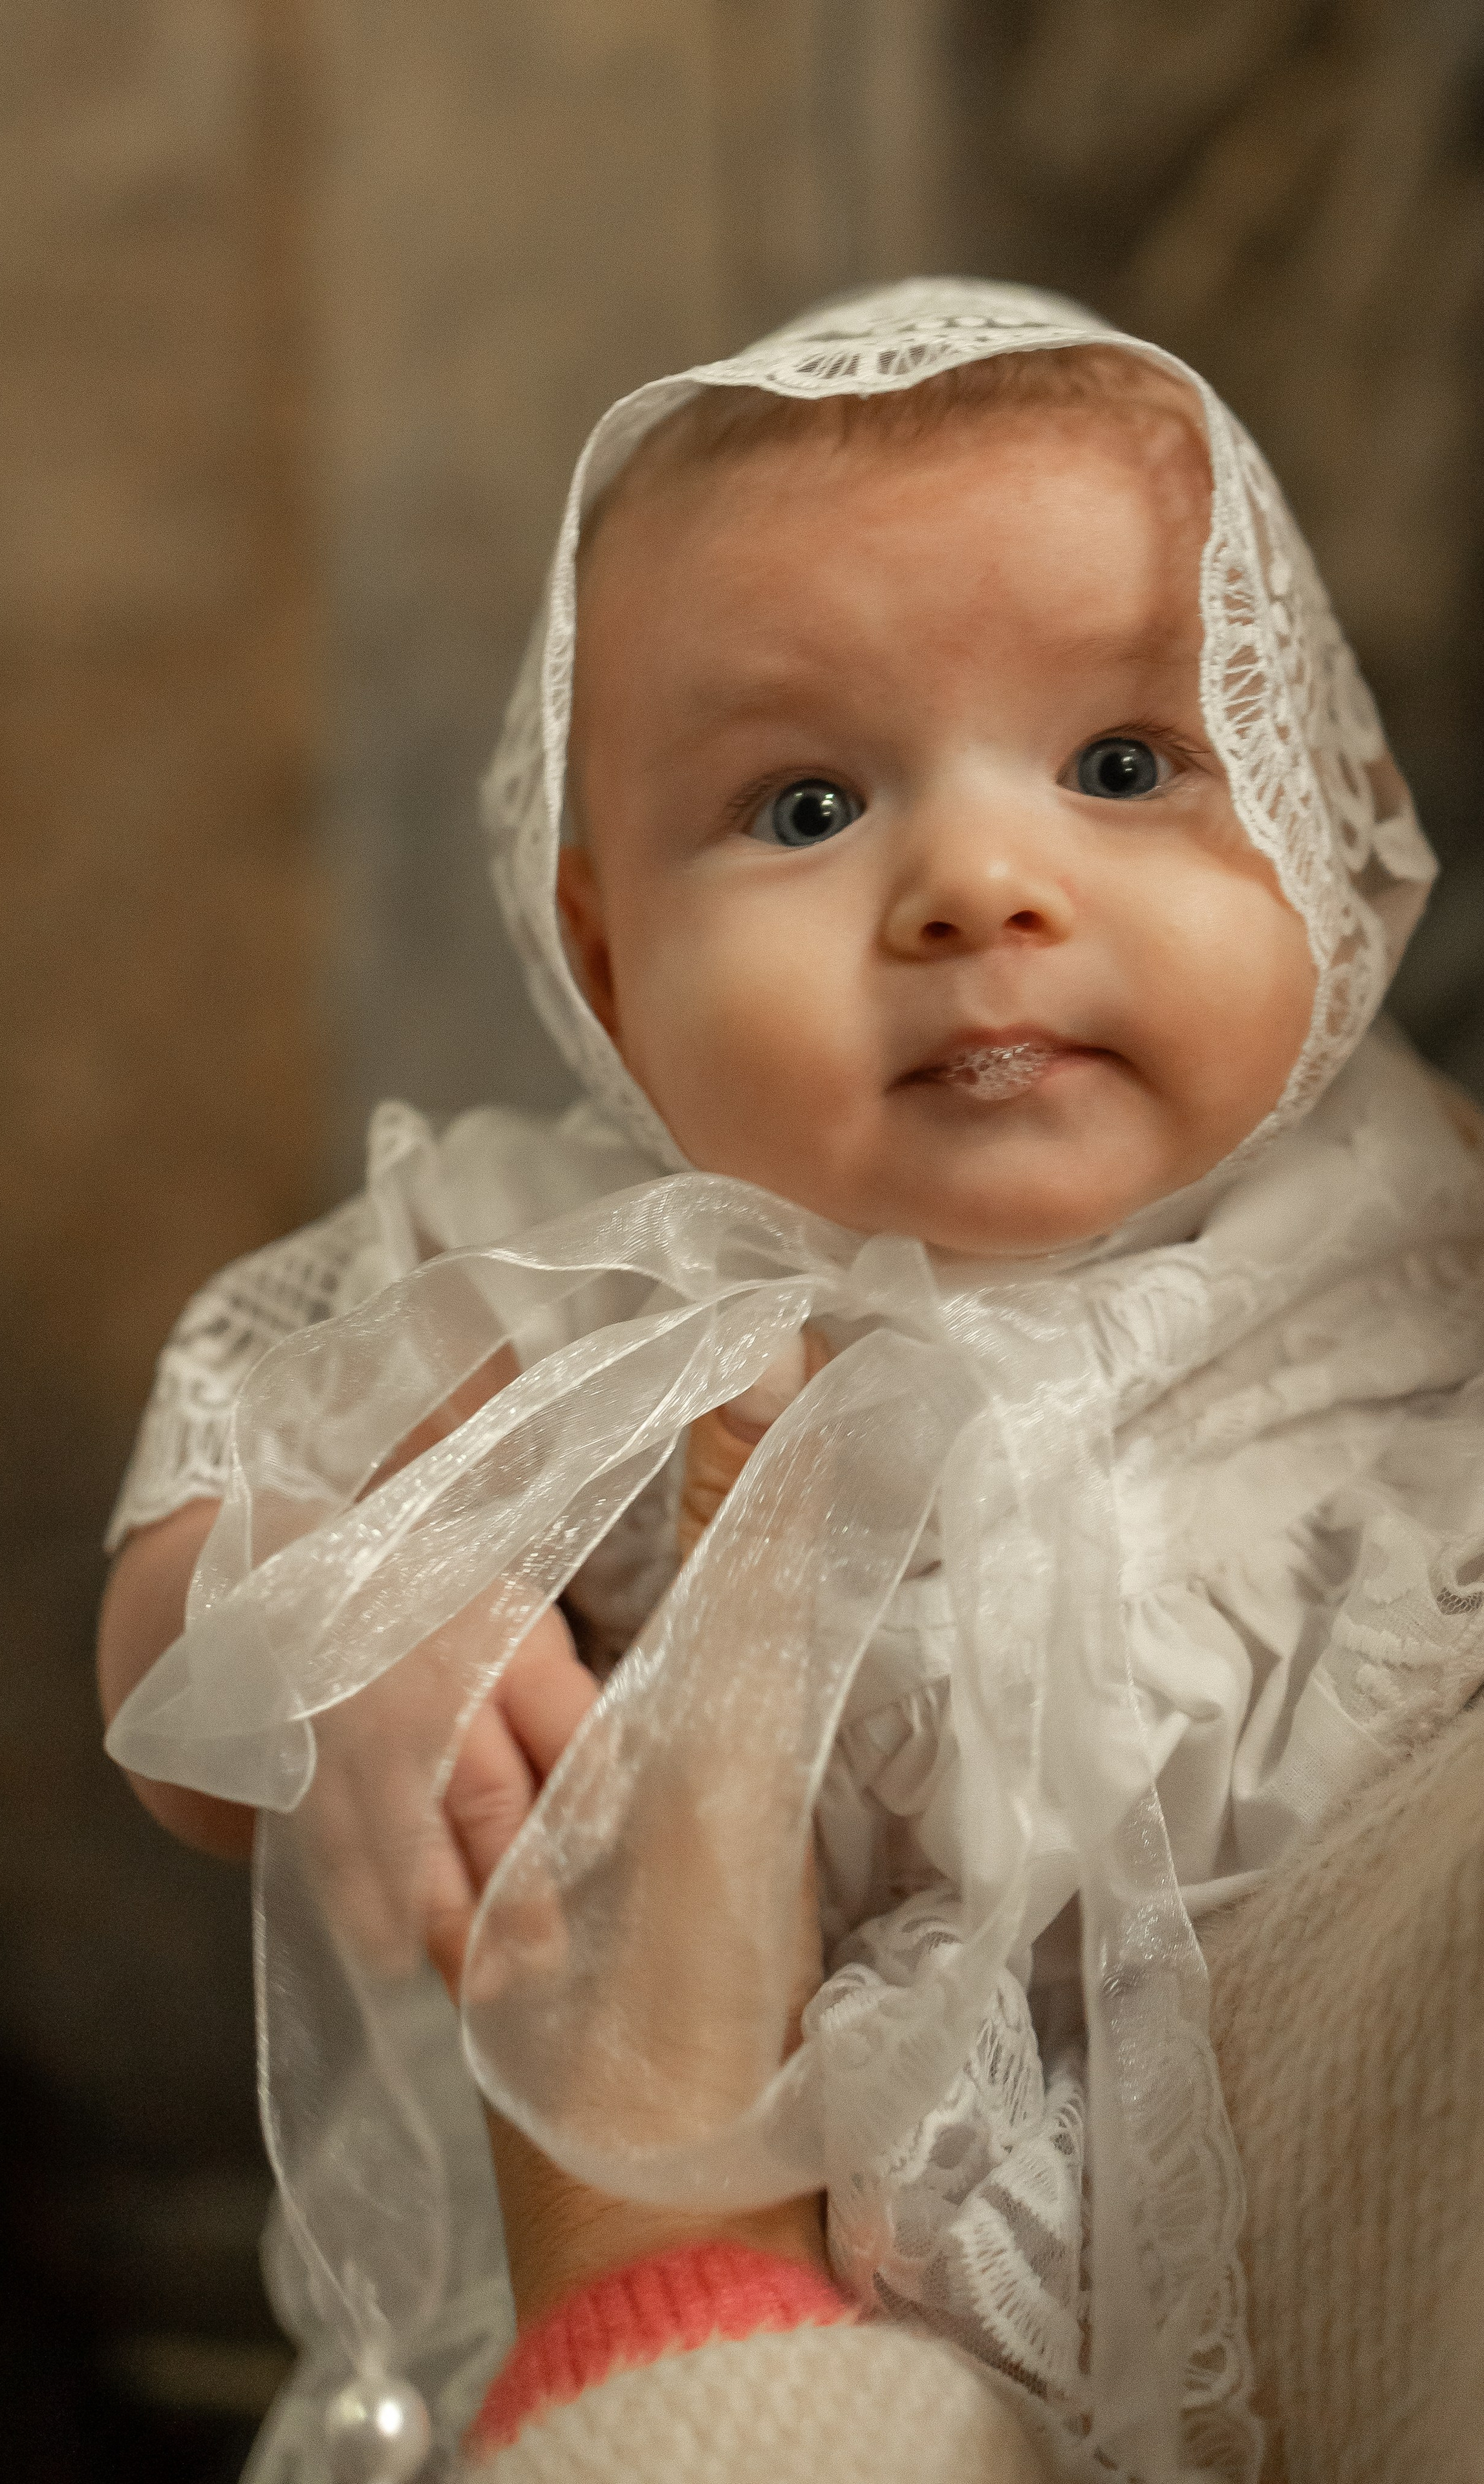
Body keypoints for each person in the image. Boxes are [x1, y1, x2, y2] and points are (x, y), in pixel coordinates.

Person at [100, 281, 1484, 2483]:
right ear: (603, 953)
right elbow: (190, 1562)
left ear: (1331, 818)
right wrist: (349, 1634)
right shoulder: (569, 1261)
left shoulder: (1421, 1222)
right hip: (767, 2339)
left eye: (1124, 765)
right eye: (808, 801)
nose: (979, 886)